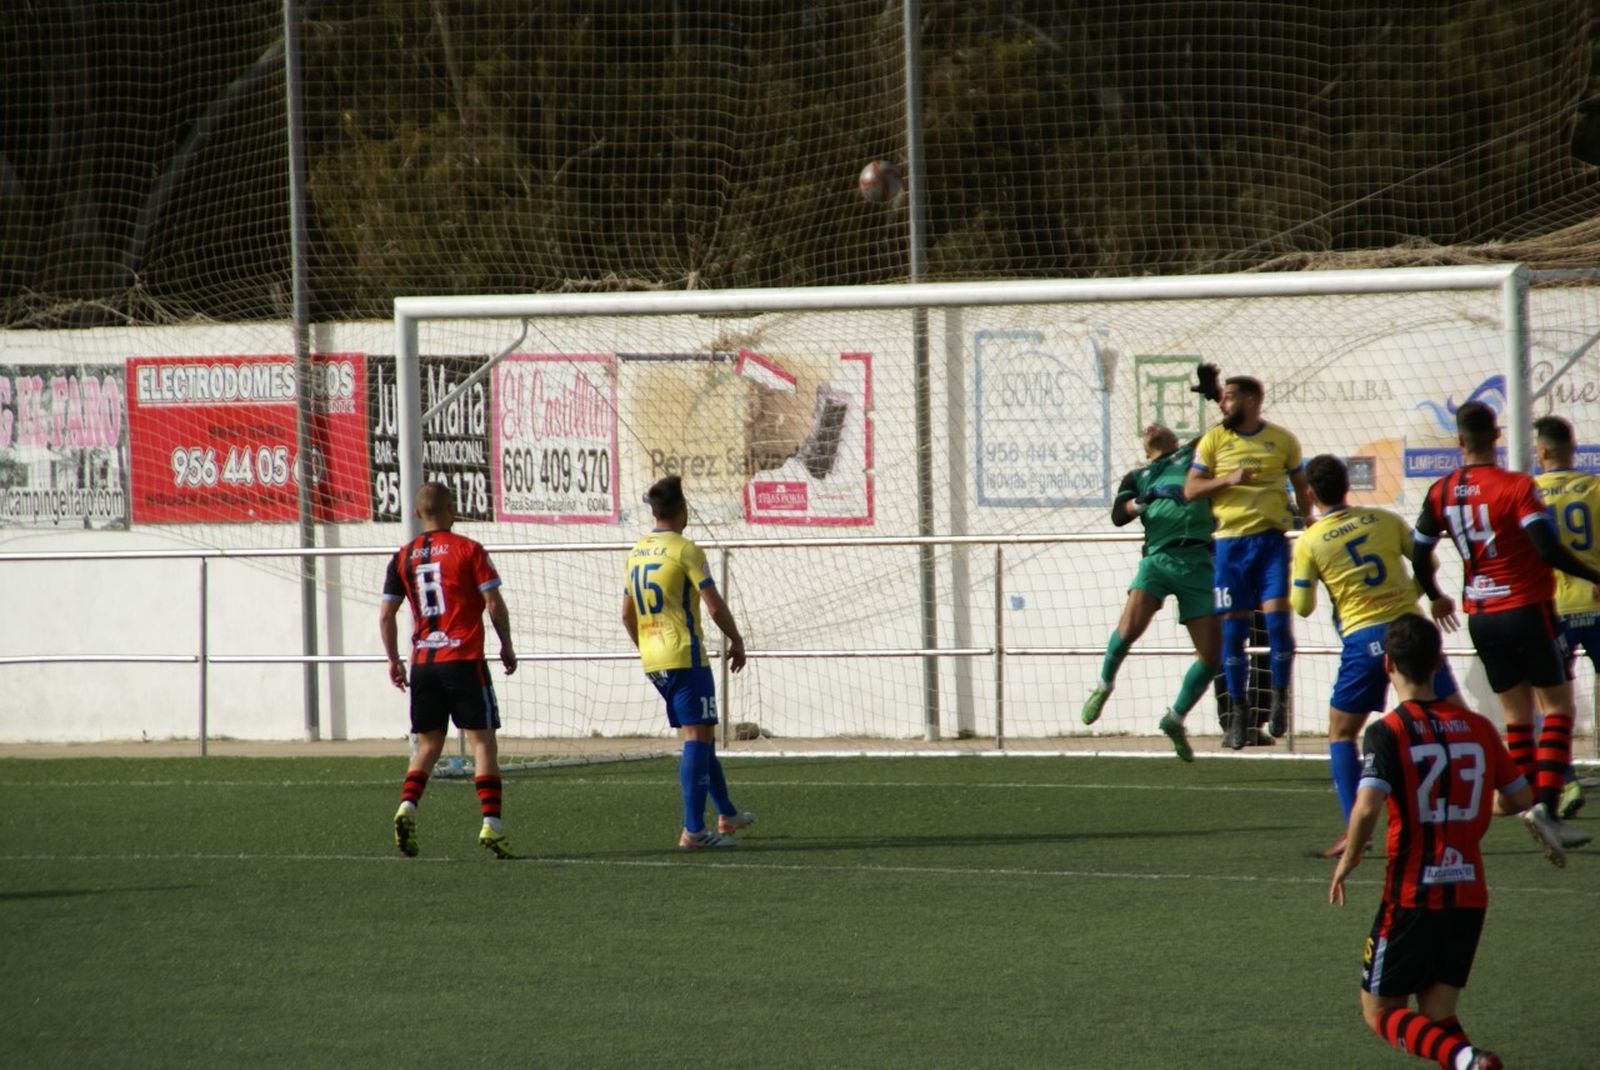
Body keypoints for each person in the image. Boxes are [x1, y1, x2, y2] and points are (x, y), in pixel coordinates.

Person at [1328, 613, 1529, 1070]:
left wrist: (1351, 857)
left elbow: (1366, 806)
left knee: (1380, 1012)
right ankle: (1469, 1062)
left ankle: (1468, 1061)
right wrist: (1478, 803)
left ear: (1388, 667)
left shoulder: (1386, 731)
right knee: (1438, 1017)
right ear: (1440, 662)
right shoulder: (1478, 727)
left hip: (1413, 894)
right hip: (1470, 893)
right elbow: (1519, 797)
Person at [1410, 401, 1600, 861]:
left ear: (1459, 441)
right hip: (1525, 607)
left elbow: (1418, 553)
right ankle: (1547, 808)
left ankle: (1526, 798)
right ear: (1496, 436)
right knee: (1557, 707)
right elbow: (1545, 547)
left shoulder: (1442, 490)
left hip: (1481, 615)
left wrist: (1434, 593)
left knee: (1518, 716)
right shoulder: (1517, 486)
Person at [1291, 455, 1467, 858]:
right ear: (1346, 485)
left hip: (1365, 639)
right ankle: (1488, 795)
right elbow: (1428, 561)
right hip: (1412, 628)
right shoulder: (1385, 519)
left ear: (1311, 494)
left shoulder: (1311, 540)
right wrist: (1412, 599)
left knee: (1341, 732)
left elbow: (1301, 606)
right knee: (1456, 718)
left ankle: (1356, 831)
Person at [380, 481, 519, 860]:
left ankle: (407, 807)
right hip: (463, 659)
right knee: (482, 742)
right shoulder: (469, 549)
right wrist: (506, 644)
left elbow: (386, 614)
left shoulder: (402, 557)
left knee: (428, 745)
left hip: (423, 664)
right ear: (451, 509)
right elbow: (493, 604)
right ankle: (492, 824)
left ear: (416, 513)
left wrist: (393, 658)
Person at [622, 475, 754, 849]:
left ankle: (726, 812)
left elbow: (626, 615)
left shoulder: (637, 551)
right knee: (697, 738)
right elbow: (713, 606)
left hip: (654, 660)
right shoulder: (686, 549)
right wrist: (737, 640)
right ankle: (694, 830)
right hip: (685, 656)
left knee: (702, 734)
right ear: (682, 510)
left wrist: (646, 647)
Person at [1184, 375, 1313, 748]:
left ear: (1253, 400)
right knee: (1234, 634)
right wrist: (1228, 479)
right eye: (1222, 399)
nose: (1223, 405)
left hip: (1271, 544)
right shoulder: (1214, 440)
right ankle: (1238, 713)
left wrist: (1310, 521)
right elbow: (1191, 489)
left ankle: (1279, 700)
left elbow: (1302, 486)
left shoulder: (1282, 439)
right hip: (1229, 548)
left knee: (1278, 626)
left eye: (1230, 398)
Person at [1080, 424, 1219, 762]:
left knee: (1212, 657)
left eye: (1159, 425)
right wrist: (1148, 498)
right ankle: (1103, 685)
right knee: (1129, 628)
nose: (1151, 427)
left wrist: (1216, 392)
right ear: (1144, 447)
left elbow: (1226, 425)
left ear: (1175, 437)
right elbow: (1118, 516)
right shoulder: (1137, 476)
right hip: (1159, 558)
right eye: (1145, 430)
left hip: (1200, 560)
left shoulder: (1193, 454)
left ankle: (1174, 719)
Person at [1531, 414, 1600, 820]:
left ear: (1541, 451)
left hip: (1553, 607)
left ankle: (1565, 778)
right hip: (1595, 601)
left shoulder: (1530, 492)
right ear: (1573, 447)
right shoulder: (1594, 486)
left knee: (1552, 702)